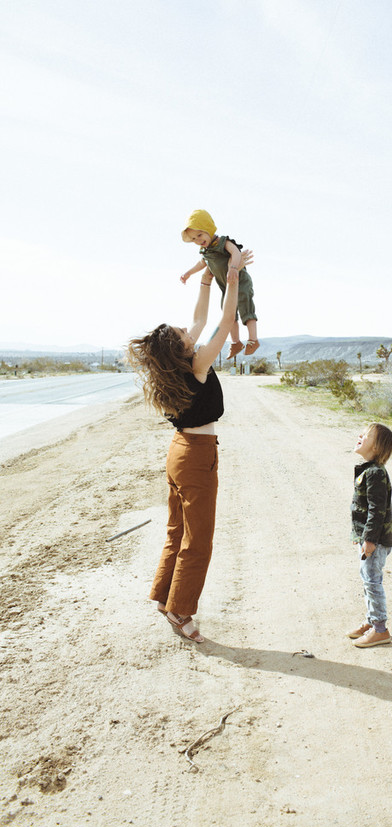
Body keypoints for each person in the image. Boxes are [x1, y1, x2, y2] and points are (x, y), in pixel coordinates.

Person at [126, 248, 252, 642]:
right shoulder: (197, 365)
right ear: (181, 347)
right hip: (195, 458)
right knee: (198, 540)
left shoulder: (178, 366)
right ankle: (180, 611)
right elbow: (224, 320)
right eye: (183, 334)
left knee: (177, 531)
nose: (189, 329)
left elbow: (200, 318)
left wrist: (204, 278)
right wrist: (230, 278)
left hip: (179, 453)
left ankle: (166, 599)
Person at [180, 209, 259, 360]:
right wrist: (189, 273)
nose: (198, 240)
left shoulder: (222, 242)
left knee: (245, 307)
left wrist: (234, 267)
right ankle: (236, 343)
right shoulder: (206, 251)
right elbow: (201, 264)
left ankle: (253, 340)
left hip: (239, 281)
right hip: (225, 286)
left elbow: (235, 252)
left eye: (200, 234)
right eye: (194, 239)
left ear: (208, 229)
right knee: (228, 313)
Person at [347, 423, 392, 648]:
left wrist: (369, 539)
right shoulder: (369, 470)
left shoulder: (376, 473)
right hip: (369, 538)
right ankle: (371, 621)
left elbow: (378, 510)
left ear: (376, 448)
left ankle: (380, 629)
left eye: (366, 436)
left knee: (372, 582)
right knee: (367, 579)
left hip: (374, 540)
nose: (360, 436)